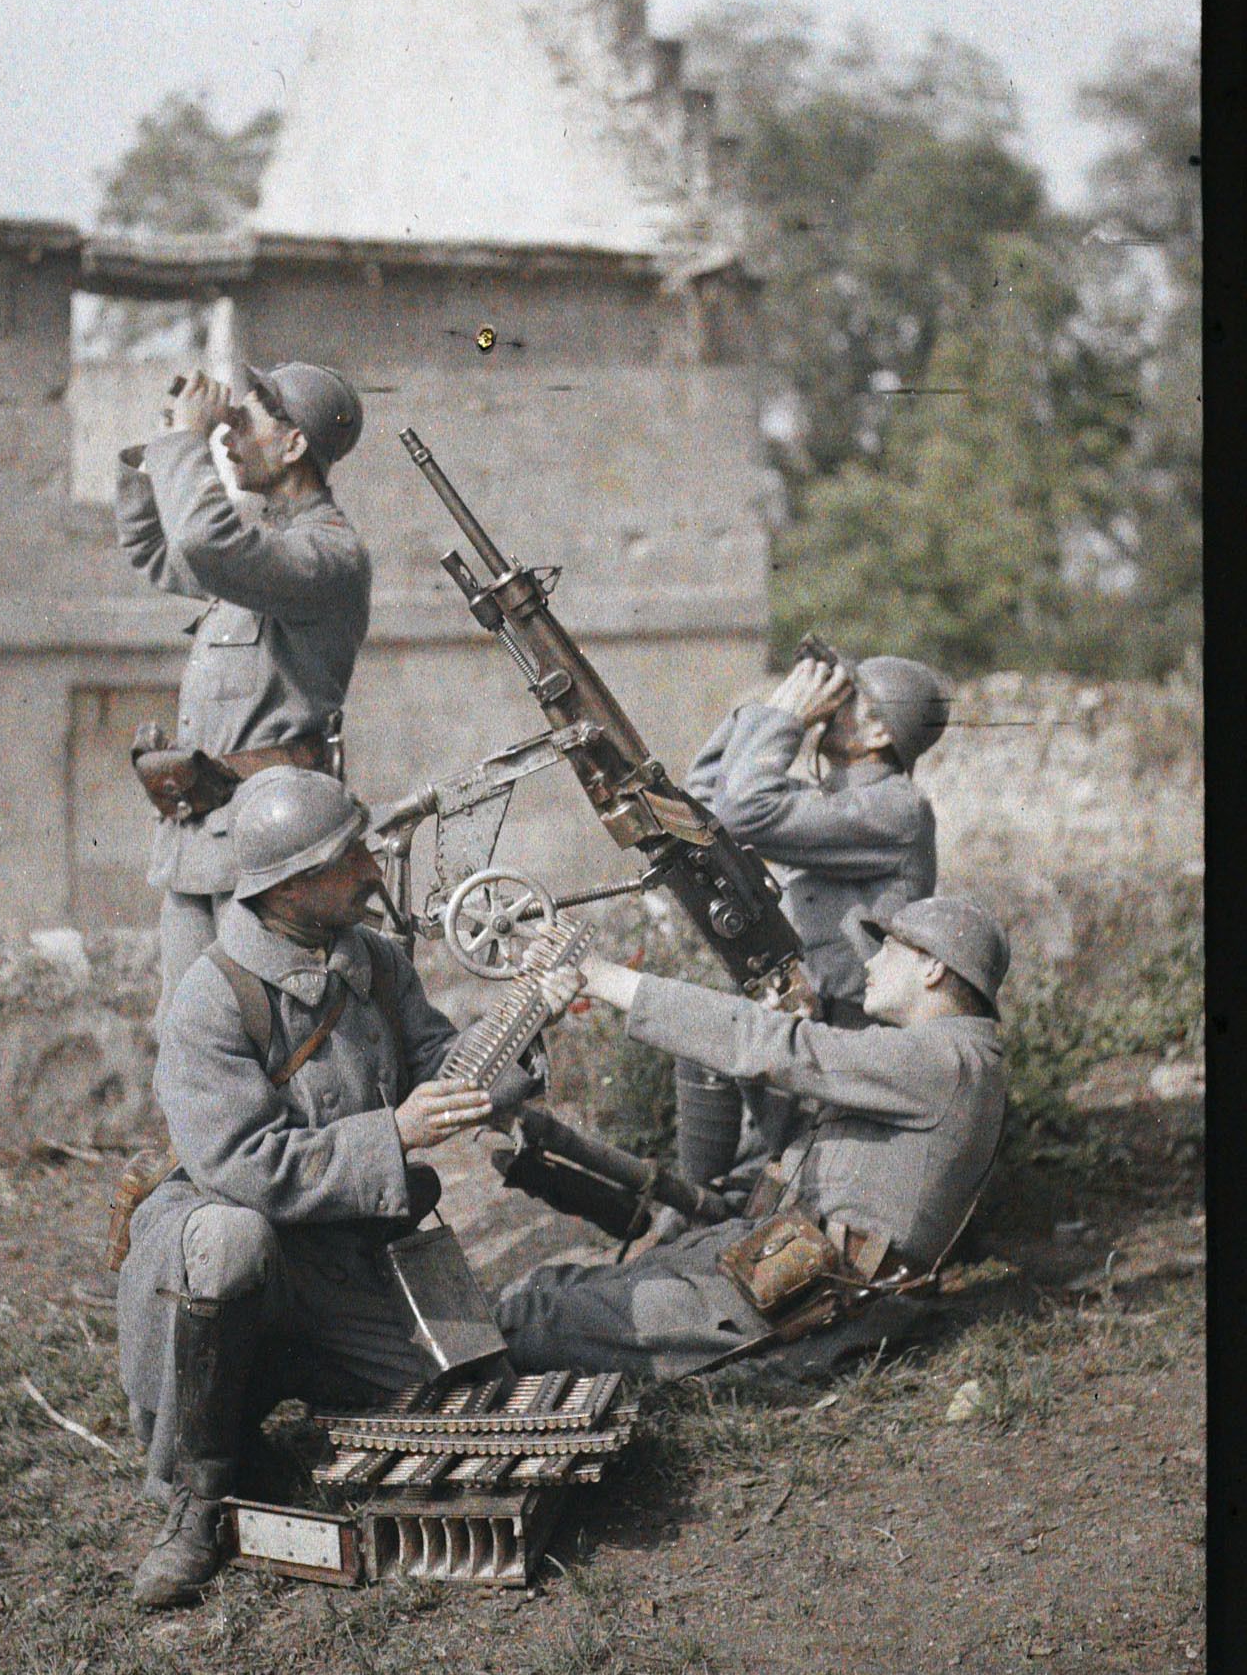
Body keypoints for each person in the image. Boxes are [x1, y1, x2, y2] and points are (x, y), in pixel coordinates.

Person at [116, 768, 568, 1609]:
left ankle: (282, 1372)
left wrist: (526, 1014)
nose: (371, 867)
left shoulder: (373, 960)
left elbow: (439, 1065)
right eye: (348, 855)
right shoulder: (212, 997)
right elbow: (242, 1165)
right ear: (289, 885)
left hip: (350, 1257)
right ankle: (200, 1501)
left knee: (472, 1403)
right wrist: (392, 1134)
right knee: (229, 1237)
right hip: (251, 1254)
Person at [496, 896, 1008, 1387]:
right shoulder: (951, 1057)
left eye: (889, 949)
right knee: (549, 1289)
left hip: (805, 1297)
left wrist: (604, 977)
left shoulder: (947, 1060)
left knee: (529, 1321)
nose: (870, 962)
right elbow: (807, 1133)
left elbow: (781, 1047)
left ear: (933, 969)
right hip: (783, 1269)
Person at [115, 361, 370, 1031]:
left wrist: (189, 443)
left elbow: (204, 541)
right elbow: (156, 551)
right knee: (186, 1035)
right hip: (203, 842)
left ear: (294, 445)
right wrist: (164, 444)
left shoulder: (326, 555)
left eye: (243, 422)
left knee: (262, 1034)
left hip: (271, 852)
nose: (227, 437)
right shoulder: (266, 551)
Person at [675, 650, 954, 1193]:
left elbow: (742, 812)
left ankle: (701, 1208)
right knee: (698, 1039)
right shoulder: (834, 803)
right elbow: (703, 809)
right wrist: (758, 715)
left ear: (879, 732)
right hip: (805, 1018)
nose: (829, 708)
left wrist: (785, 721)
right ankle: (693, 1207)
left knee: (710, 1041)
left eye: (849, 701)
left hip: (846, 1039)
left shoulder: (898, 808)